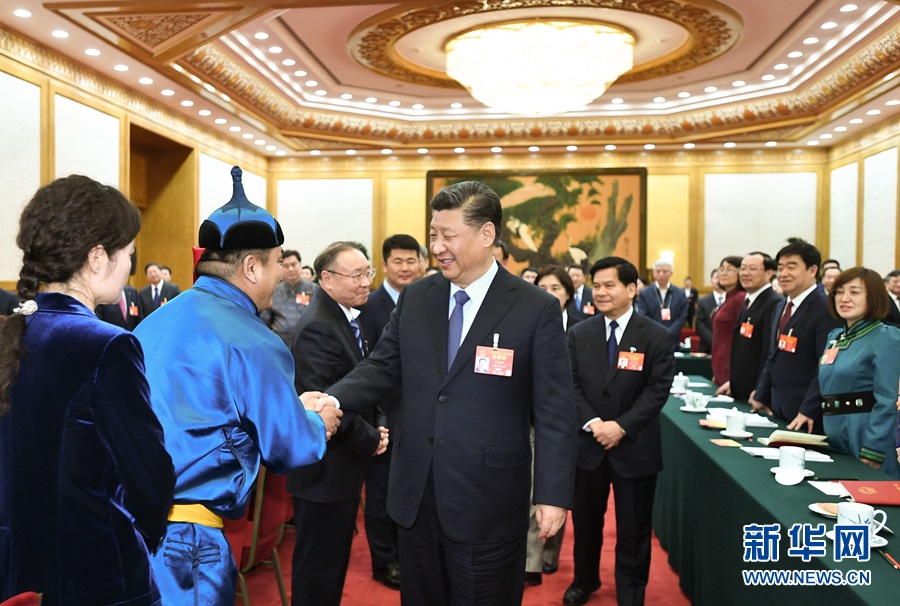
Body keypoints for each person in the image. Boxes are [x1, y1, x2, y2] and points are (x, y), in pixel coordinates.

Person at [326, 180, 577, 606]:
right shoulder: (417, 297)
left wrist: (552, 495)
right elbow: (382, 366)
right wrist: (333, 399)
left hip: (489, 500)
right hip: (417, 496)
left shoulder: (535, 308)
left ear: (486, 234)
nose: (437, 247)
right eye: (433, 235)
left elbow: (555, 410)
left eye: (449, 235)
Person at [133, 167, 341, 605]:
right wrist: (316, 421)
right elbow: (288, 447)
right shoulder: (255, 340)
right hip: (188, 542)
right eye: (277, 262)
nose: (282, 275)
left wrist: (291, 406)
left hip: (132, 527)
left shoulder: (153, 321)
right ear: (250, 266)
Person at [0, 175, 175, 605]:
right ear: (97, 258)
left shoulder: (11, 332)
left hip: (17, 568)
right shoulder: (106, 345)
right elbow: (150, 476)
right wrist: (133, 541)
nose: (131, 265)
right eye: (129, 253)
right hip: (96, 572)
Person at [565, 257, 675, 606]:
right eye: (596, 285)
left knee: (633, 527)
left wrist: (622, 426)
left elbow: (658, 389)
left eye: (609, 285)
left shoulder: (656, 335)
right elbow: (570, 385)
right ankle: (584, 580)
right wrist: (594, 423)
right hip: (589, 444)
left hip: (635, 446)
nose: (600, 292)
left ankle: (631, 591)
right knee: (585, 524)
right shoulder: (578, 333)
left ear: (631, 289)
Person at [288, 242, 388, 606]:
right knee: (319, 570)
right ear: (327, 279)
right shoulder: (319, 326)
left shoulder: (345, 316)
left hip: (339, 469)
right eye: (356, 275)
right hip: (324, 473)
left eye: (367, 273)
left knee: (331, 567)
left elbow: (363, 384)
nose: (365, 282)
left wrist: (377, 426)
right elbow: (327, 402)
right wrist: (371, 438)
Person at [357, 234, 422, 590]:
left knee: (412, 489)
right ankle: (384, 560)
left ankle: (407, 553)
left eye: (412, 260)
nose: (405, 268)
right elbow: (368, 364)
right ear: (384, 265)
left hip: (419, 414)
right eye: (398, 261)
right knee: (381, 492)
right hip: (382, 414)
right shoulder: (369, 306)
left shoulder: (428, 299)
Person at [525, 265, 580, 586]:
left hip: (567, 425)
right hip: (531, 421)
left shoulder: (579, 329)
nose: (548, 294)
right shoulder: (525, 324)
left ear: (569, 294)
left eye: (556, 288)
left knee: (557, 493)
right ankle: (531, 562)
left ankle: (549, 556)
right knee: (532, 495)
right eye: (542, 287)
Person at [751, 238, 840, 434]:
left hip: (805, 414)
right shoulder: (781, 306)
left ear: (812, 270)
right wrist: (761, 394)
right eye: (780, 268)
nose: (783, 274)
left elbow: (826, 367)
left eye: (791, 267)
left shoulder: (825, 309)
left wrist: (809, 409)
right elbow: (773, 355)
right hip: (778, 406)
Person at [820, 267, 900, 478]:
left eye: (854, 292)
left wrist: (874, 447)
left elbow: (887, 398)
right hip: (832, 431)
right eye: (839, 292)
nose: (844, 298)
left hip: (864, 433)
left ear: (873, 297)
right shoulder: (835, 336)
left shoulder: (886, 336)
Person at [716, 252, 782, 401]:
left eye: (752, 268)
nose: (745, 273)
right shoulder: (748, 300)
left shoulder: (773, 303)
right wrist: (733, 381)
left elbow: (768, 351)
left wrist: (761, 390)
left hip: (755, 393)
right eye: (743, 268)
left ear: (768, 273)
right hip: (740, 387)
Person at [259, 248, 319, 345]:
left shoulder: (314, 289)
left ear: (300, 265)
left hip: (308, 341)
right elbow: (265, 319)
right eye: (286, 266)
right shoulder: (273, 290)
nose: (291, 269)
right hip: (280, 342)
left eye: (294, 264)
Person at [637, 259, 688, 350]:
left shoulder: (680, 293)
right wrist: (658, 332)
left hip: (673, 339)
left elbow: (682, 317)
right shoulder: (645, 293)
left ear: (671, 273)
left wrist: (669, 332)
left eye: (665, 271)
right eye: (658, 271)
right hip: (651, 339)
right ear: (653, 273)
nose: (661, 274)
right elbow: (643, 315)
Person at [710, 256, 745, 386]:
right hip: (720, 361)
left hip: (731, 364)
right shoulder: (728, 298)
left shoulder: (740, 298)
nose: (723, 273)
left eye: (729, 269)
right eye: (721, 269)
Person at [695, 268, 723, 353]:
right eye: (716, 277)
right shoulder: (703, 302)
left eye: (721, 277)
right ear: (711, 281)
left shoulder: (733, 301)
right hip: (707, 348)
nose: (718, 280)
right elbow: (699, 326)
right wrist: (715, 342)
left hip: (728, 349)